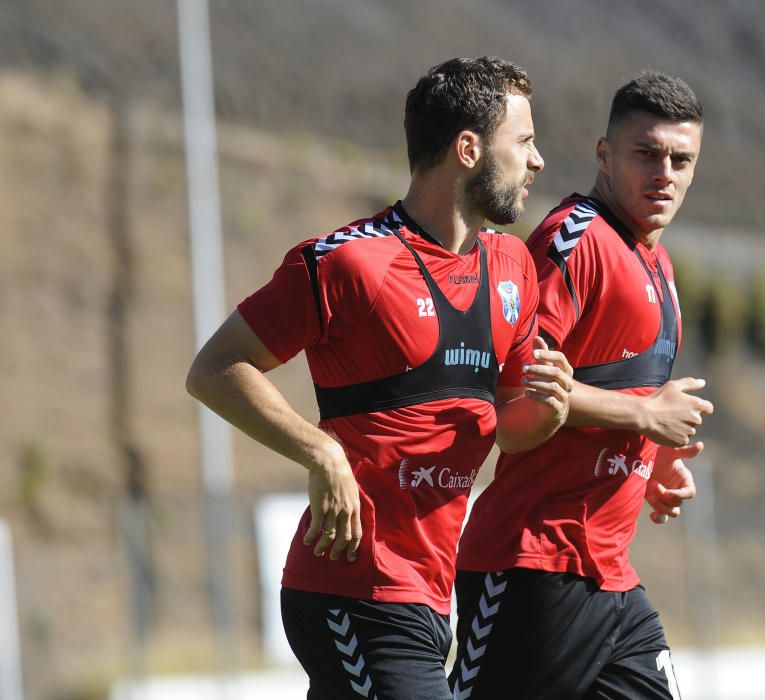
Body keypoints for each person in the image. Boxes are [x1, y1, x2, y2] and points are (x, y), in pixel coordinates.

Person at [186, 56, 573, 700]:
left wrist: (548, 412)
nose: (537, 161)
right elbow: (215, 368)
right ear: (469, 148)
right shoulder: (353, 264)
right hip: (350, 593)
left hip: (431, 600)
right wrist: (321, 451)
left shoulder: (513, 268)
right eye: (525, 141)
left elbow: (508, 425)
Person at [450, 71, 714, 699]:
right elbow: (516, 386)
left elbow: (615, 380)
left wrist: (658, 457)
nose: (665, 173)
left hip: (610, 575)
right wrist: (647, 416)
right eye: (645, 154)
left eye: (681, 159)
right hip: (531, 565)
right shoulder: (575, 241)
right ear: (604, 154)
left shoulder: (655, 258)